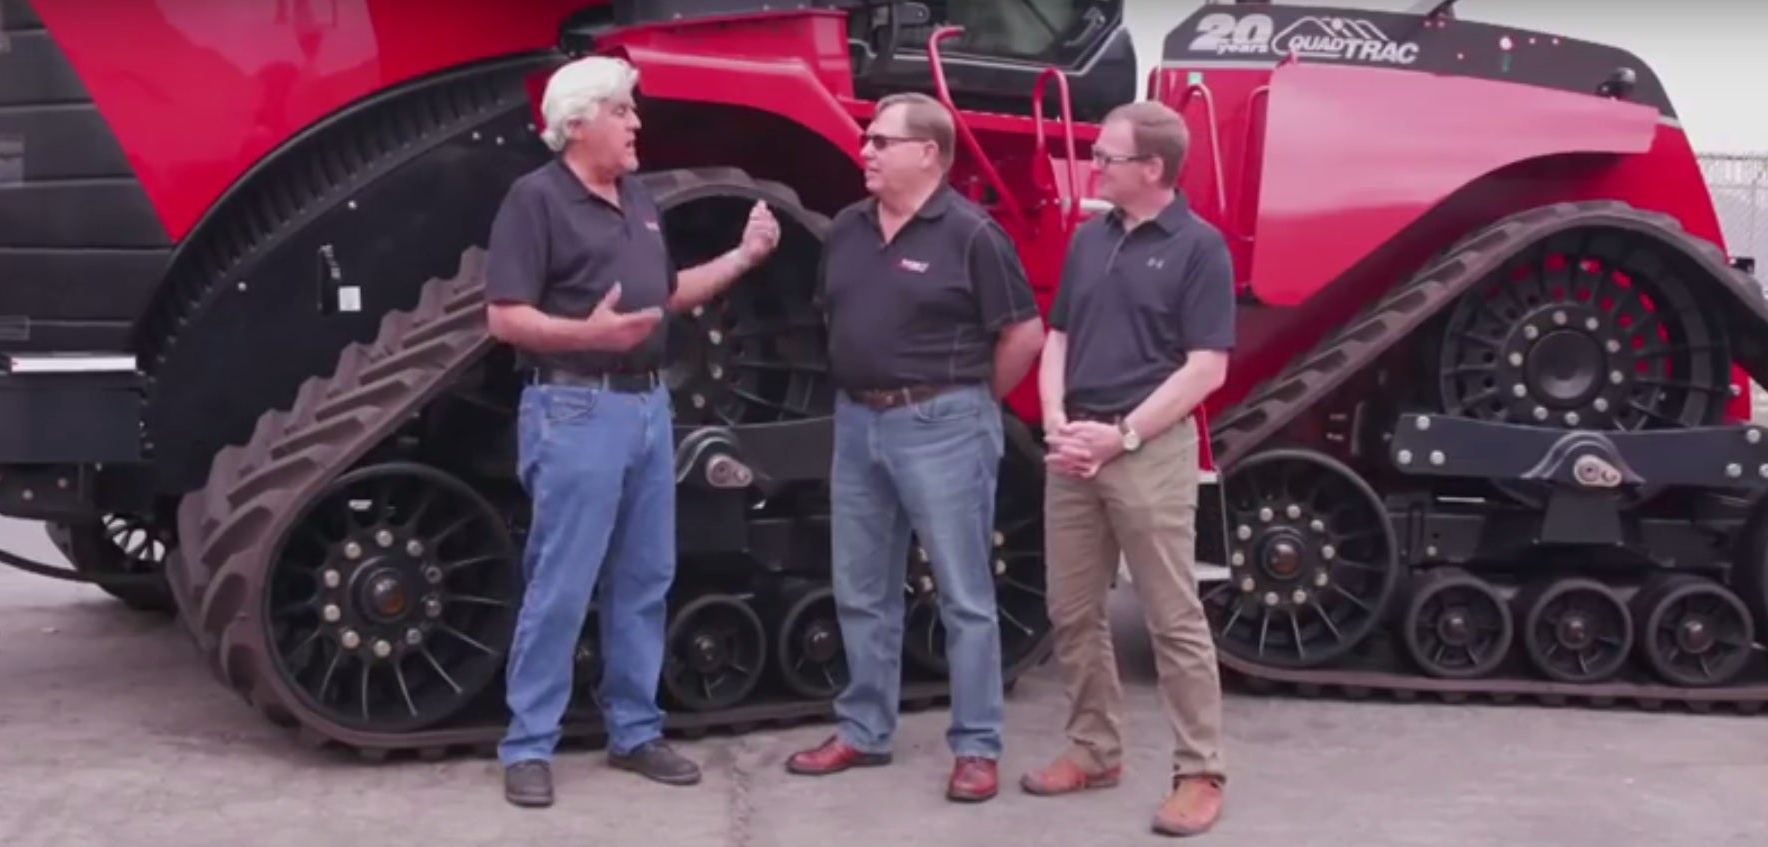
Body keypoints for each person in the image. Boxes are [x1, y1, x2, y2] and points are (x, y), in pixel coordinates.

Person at [482, 54, 780, 809]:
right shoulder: (535, 200)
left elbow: (668, 294)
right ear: (577, 123)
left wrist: (743, 257)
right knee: (561, 580)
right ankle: (528, 743)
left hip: (648, 409)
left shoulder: (637, 196)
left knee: (645, 577)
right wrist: (587, 335)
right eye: (622, 111)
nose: (636, 122)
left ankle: (635, 729)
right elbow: (505, 315)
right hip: (575, 406)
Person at [783, 92, 1046, 803]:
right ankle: (863, 728)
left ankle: (977, 745)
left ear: (927, 153)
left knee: (963, 593)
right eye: (867, 140)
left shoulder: (970, 235)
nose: (864, 151)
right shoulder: (846, 229)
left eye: (879, 141)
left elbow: (1023, 331)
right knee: (862, 588)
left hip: (943, 424)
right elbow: (832, 313)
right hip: (858, 423)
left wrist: (970, 400)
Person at [1020, 100, 1234, 837]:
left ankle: (1199, 771)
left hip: (1146, 451)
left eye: (1107, 156)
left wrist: (1122, 437)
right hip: (1075, 444)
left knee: (1172, 617)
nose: (1095, 165)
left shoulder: (1200, 248)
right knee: (1071, 611)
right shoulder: (1090, 239)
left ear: (1152, 168)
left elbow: (1206, 368)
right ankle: (1094, 749)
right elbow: (1058, 337)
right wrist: (1054, 422)